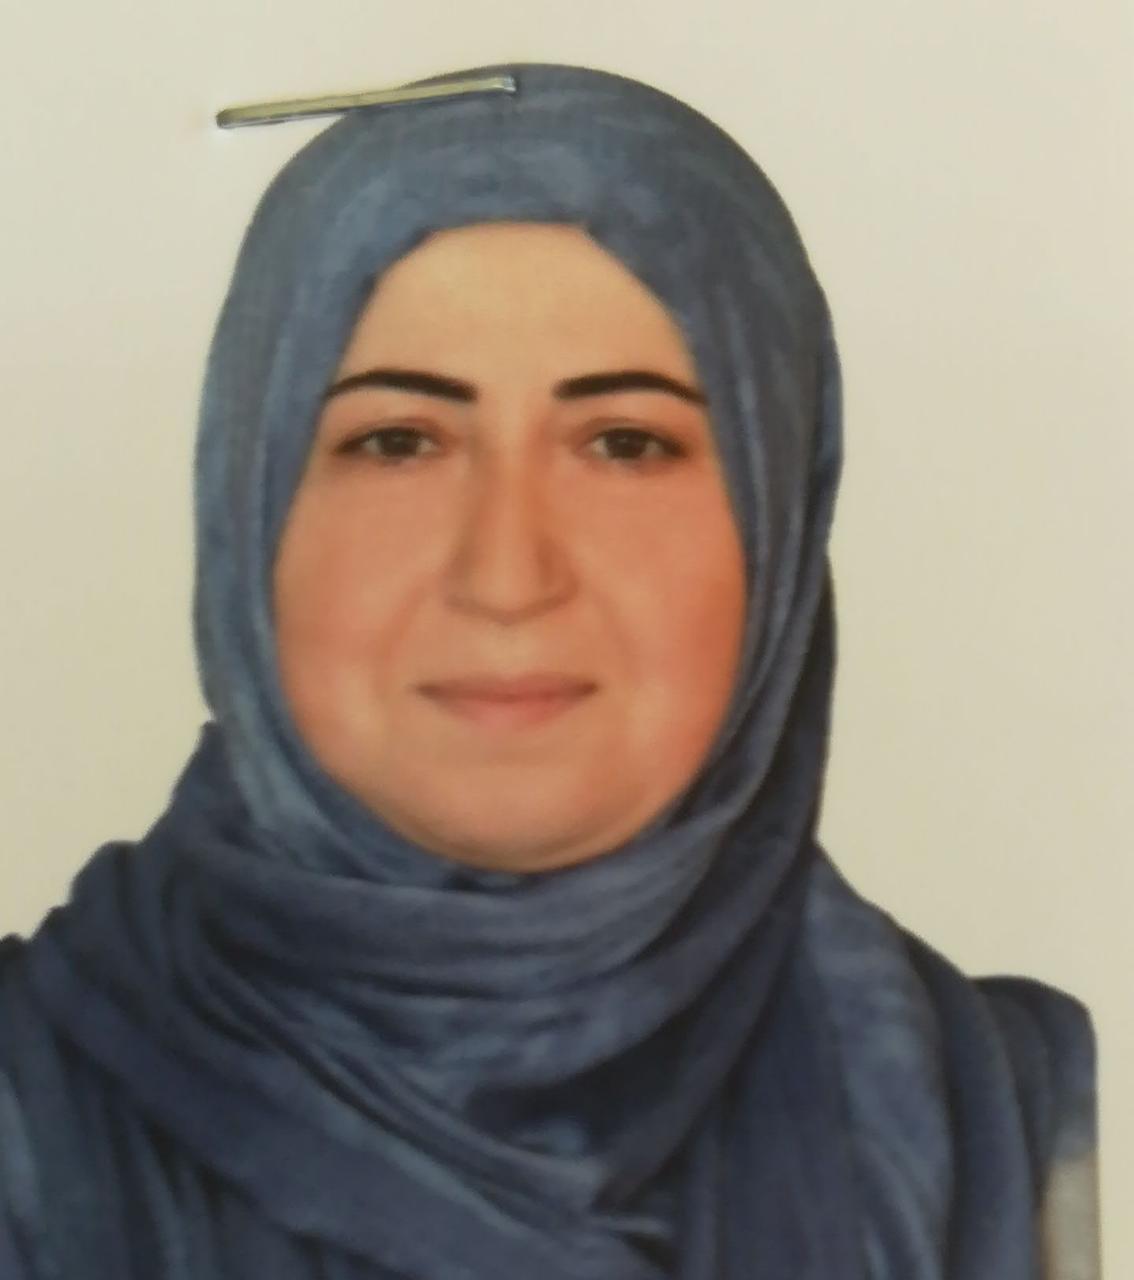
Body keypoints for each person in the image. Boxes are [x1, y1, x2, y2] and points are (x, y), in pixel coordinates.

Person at [0, 62, 1098, 1279]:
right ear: (247, 512)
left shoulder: (1008, 1120)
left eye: (624, 442)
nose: (506, 572)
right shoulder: (25, 1107)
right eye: (399, 440)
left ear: (779, 526)